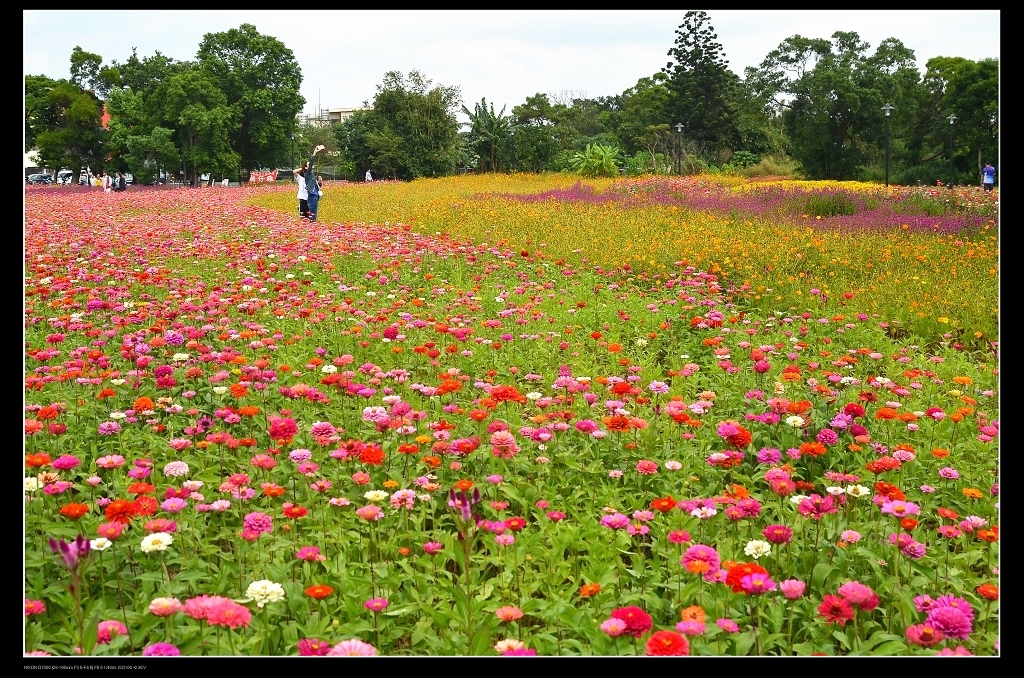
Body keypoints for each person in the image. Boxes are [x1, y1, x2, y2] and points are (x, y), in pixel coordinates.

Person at [303, 145, 326, 222]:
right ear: (306, 168)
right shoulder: (308, 174)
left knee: (314, 215)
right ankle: (311, 228)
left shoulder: (312, 175)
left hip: (315, 196)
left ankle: (313, 226)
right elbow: (311, 162)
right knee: (312, 216)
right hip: (312, 196)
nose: (311, 165)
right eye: (309, 164)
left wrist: (319, 182)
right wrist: (315, 152)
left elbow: (316, 187)